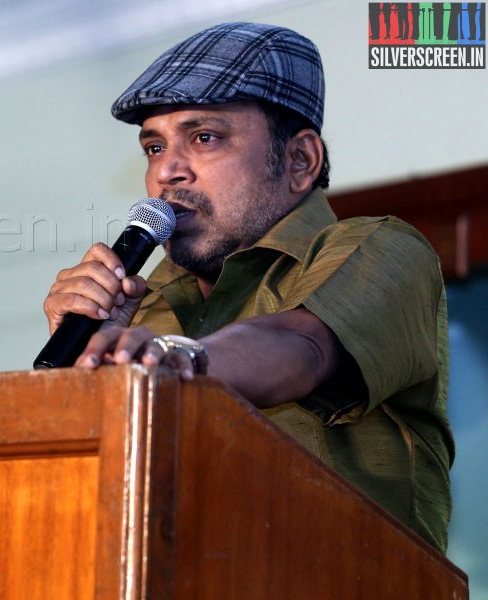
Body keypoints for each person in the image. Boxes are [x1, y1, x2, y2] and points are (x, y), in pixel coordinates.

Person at [41, 22, 453, 552]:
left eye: (204, 137)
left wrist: (172, 359)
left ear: (300, 161)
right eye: (152, 146)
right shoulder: (138, 306)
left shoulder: (382, 249)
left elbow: (299, 347)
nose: (167, 170)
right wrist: (83, 368)